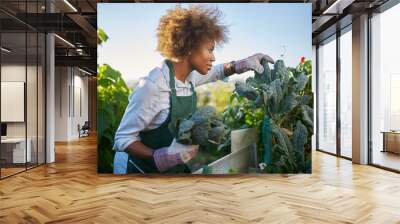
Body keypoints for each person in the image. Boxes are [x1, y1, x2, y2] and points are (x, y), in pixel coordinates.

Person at [113, 5, 274, 174]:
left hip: (168, 169)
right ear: (189, 46)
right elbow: (122, 138)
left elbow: (217, 71)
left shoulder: (189, 77)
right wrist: (159, 156)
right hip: (136, 168)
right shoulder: (152, 86)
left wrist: (241, 64)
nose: (213, 56)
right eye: (209, 50)